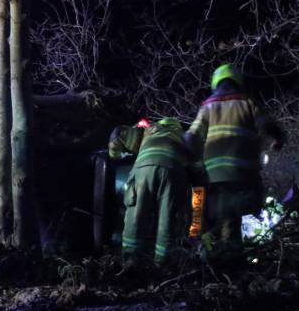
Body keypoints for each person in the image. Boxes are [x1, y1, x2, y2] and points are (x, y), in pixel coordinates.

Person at [185, 64, 284, 262]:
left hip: (214, 175)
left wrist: (186, 156)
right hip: (243, 174)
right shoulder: (247, 101)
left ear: (216, 82)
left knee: (215, 216)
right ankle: (231, 260)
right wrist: (278, 138)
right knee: (233, 218)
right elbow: (266, 124)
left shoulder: (208, 105)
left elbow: (192, 136)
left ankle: (211, 258)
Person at [108, 117, 190, 271]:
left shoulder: (149, 129)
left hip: (144, 169)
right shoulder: (185, 137)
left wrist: (115, 155)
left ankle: (130, 262)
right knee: (167, 220)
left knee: (136, 215)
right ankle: (162, 265)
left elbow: (117, 133)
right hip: (173, 171)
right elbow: (196, 164)